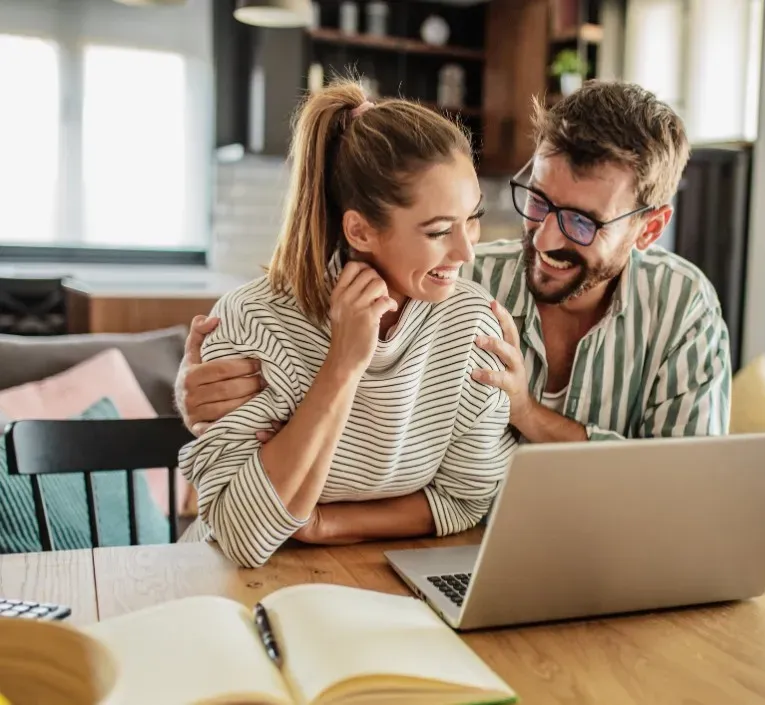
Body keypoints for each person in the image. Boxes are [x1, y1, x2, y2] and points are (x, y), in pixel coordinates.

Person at [177, 80, 730, 461]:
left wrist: (528, 414)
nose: (546, 235)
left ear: (650, 228)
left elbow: (687, 478)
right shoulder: (458, 279)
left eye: (583, 223)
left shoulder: (683, 306)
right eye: (538, 200)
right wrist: (194, 393)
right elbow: (316, 363)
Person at [175, 80, 516, 569]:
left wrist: (321, 524)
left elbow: (465, 500)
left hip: (374, 579)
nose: (466, 251)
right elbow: (239, 534)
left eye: (472, 220)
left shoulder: (471, 325)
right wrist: (343, 364)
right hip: (231, 589)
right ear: (360, 229)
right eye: (439, 230)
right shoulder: (254, 321)